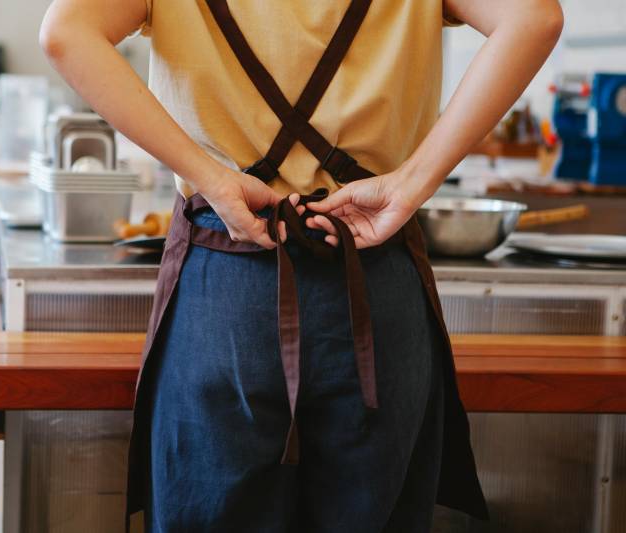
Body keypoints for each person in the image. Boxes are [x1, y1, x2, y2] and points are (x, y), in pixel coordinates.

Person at [40, 1, 563, 531]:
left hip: (229, 286)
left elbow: (66, 32)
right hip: (371, 273)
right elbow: (534, 18)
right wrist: (413, 181)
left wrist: (212, 178)